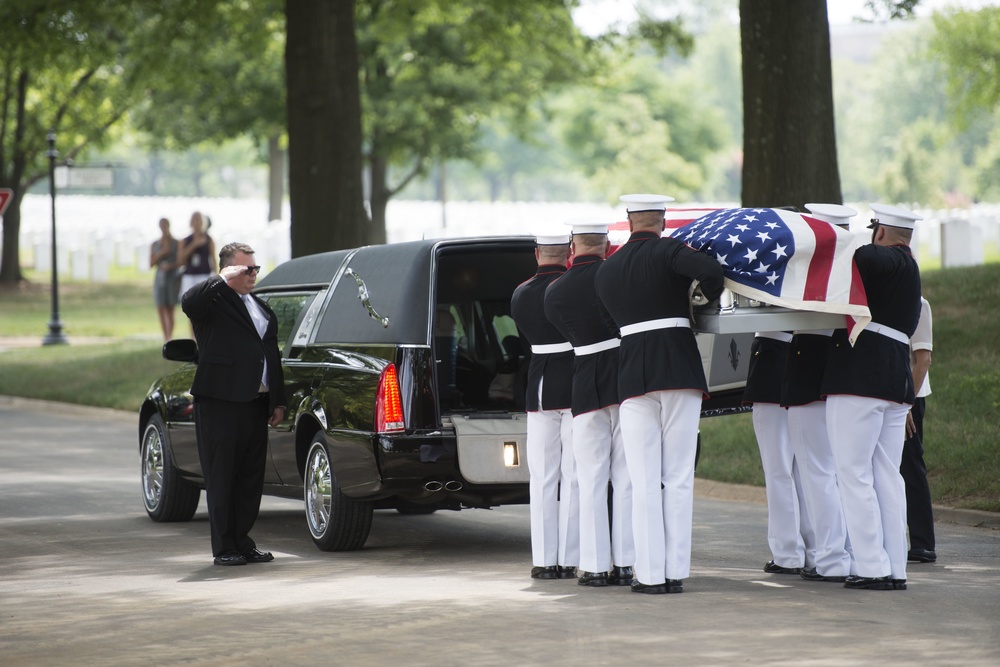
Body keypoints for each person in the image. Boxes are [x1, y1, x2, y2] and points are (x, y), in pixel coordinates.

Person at [594, 194, 725, 594]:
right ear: (663, 221)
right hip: (678, 367)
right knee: (679, 475)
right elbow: (711, 273)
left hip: (633, 372)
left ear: (629, 221)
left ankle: (649, 574)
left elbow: (607, 320)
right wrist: (697, 302)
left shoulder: (607, 269)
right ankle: (674, 571)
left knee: (643, 477)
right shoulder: (671, 251)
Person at [821, 203, 922, 591]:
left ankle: (871, 566)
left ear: (880, 232)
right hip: (894, 379)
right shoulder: (908, 267)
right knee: (885, 475)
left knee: (853, 473)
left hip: (862, 377)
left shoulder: (889, 260)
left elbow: (860, 254)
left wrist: (839, 237)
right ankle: (893, 566)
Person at [181, 242, 287, 566]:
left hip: (255, 403)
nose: (253, 274)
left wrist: (278, 400)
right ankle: (224, 547)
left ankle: (243, 541)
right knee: (222, 476)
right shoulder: (213, 301)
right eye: (246, 269)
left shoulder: (262, 307)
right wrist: (219, 279)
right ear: (228, 270)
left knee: (249, 477)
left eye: (255, 268)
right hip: (220, 402)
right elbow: (188, 301)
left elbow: (272, 356)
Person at [544, 220, 634, 588]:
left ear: (573, 247)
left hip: (583, 378)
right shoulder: (616, 276)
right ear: (606, 243)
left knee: (592, 475)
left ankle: (595, 565)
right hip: (622, 374)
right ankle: (627, 562)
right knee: (626, 475)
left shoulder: (554, 291)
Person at [782, 203, 857, 584]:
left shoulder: (815, 267)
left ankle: (830, 558)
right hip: (843, 376)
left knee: (818, 472)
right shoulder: (858, 266)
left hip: (811, 373)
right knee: (842, 473)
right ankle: (850, 555)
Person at [510, 232, 579, 580]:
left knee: (542, 478)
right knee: (573, 476)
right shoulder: (572, 289)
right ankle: (568, 559)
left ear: (537, 254)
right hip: (575, 385)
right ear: (569, 252)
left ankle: (544, 560)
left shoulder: (520, 294)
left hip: (539, 386)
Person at [744, 330, 817, 577]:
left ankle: (788, 554)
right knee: (803, 470)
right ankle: (814, 550)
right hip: (802, 358)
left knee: (779, 470)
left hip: (773, 358)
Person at [902, 296, 936, 563]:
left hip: (911, 397)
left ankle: (923, 543)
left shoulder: (919, 304)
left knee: (911, 465)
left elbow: (922, 361)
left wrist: (907, 403)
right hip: (891, 395)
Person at [150, 217, 181, 341]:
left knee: (170, 307)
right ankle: (165, 337)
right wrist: (162, 253)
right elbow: (151, 263)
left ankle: (170, 336)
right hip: (160, 277)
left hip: (172, 276)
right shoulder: (155, 244)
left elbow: (180, 261)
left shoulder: (176, 243)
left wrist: (170, 266)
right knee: (160, 306)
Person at [178, 211, 217, 297]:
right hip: (189, 275)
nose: (197, 223)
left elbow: (213, 259)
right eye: (195, 220)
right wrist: (194, 244)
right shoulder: (185, 240)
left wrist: (216, 276)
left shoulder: (209, 239)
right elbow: (181, 259)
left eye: (199, 220)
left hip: (204, 274)